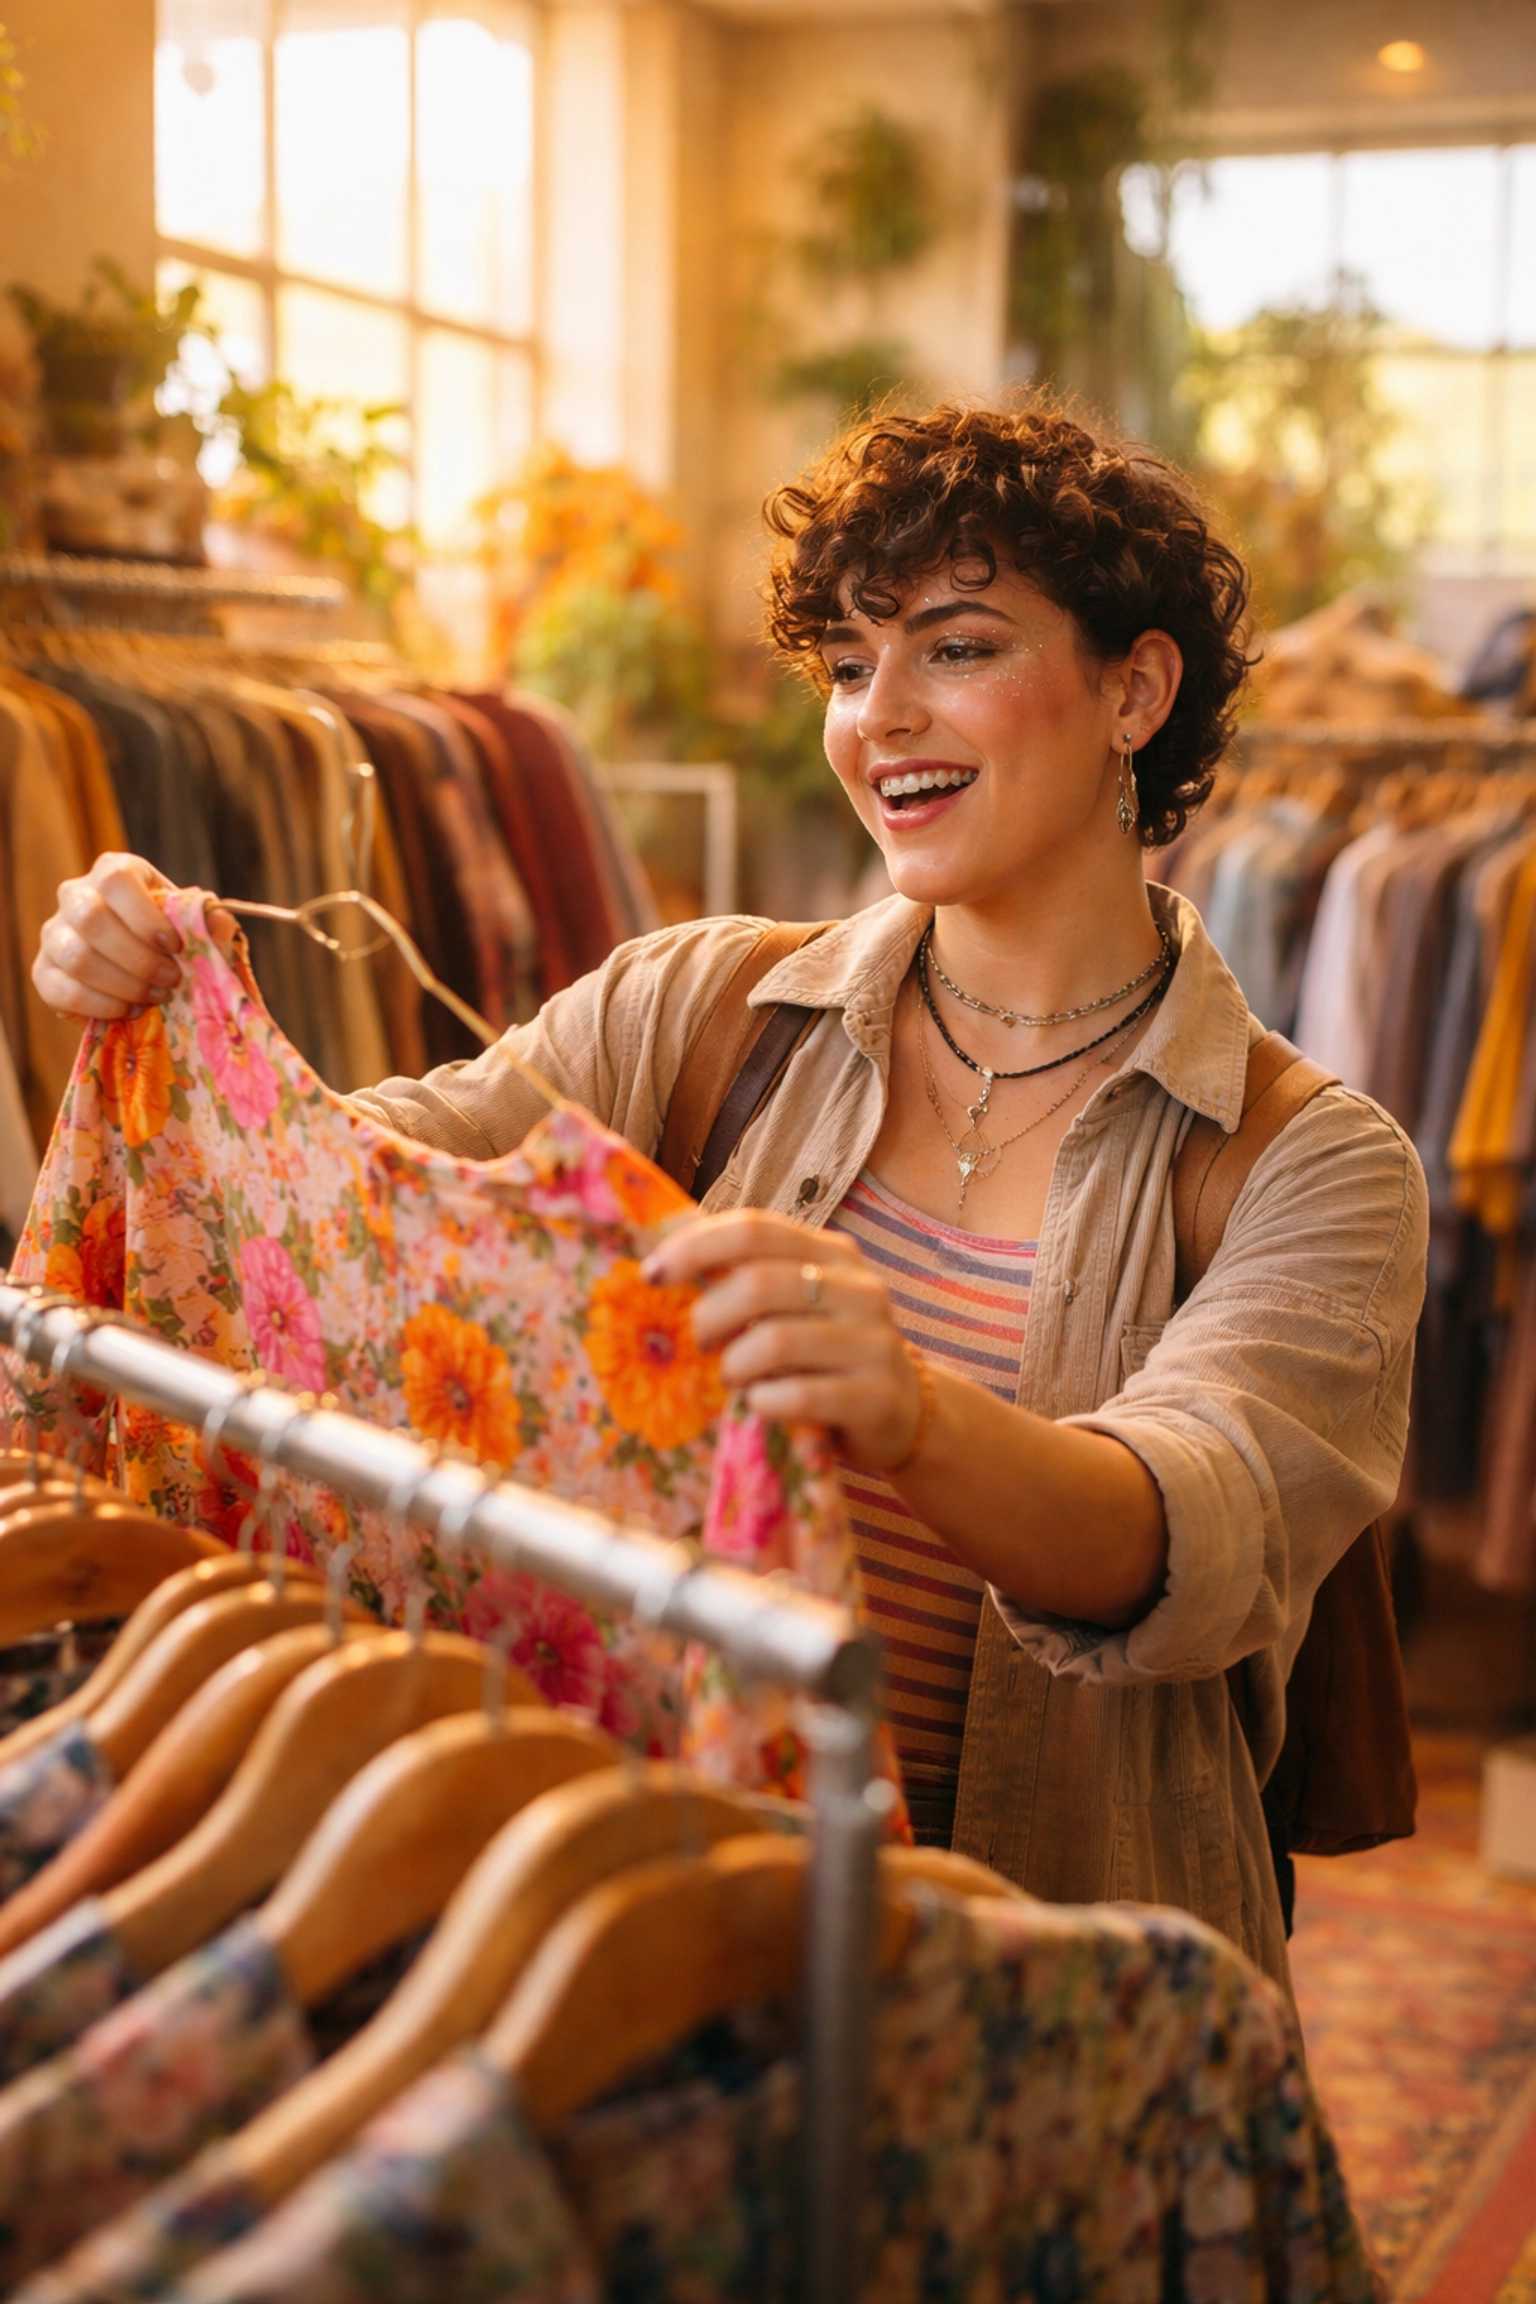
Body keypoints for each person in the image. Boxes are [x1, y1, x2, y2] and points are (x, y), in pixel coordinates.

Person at [31, 401, 1426, 1989]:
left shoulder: (1311, 1161)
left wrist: (900, 1408)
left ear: (1136, 687)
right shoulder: (692, 1010)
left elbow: (1189, 1530)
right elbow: (341, 1191)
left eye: (954, 649)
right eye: (846, 665)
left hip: (1046, 1988)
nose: (876, 717)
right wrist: (164, 1002)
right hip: (645, 1939)